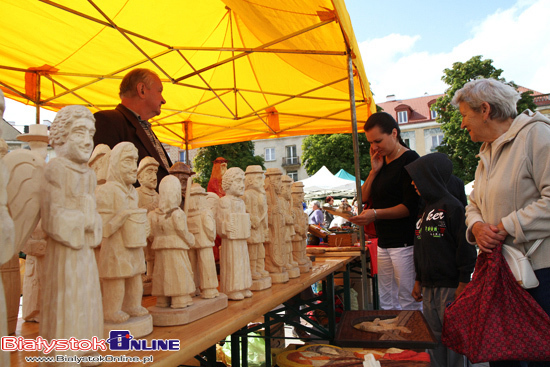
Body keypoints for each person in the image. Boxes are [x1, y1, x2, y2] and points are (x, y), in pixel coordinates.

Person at [454, 78, 550, 367]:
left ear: (485, 109)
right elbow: (473, 204)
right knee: (504, 355)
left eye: (464, 115)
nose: (462, 124)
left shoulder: (537, 136)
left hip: (540, 277)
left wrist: (505, 226)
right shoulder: (486, 152)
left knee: (537, 357)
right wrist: (478, 227)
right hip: (501, 276)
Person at [405, 153, 477, 367]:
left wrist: (464, 282)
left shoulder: (454, 208)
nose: (412, 183)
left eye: (417, 177)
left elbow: (466, 248)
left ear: (430, 178)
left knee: (454, 338)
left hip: (451, 287)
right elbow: (420, 248)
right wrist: (419, 279)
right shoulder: (424, 211)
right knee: (433, 338)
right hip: (428, 287)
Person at [349, 112, 421, 311]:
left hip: (405, 243)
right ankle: (393, 339)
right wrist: (374, 171)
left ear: (394, 133)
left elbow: (410, 207)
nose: (374, 147)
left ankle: (414, 339)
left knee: (408, 299)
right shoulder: (382, 163)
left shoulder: (410, 159)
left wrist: (375, 214)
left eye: (378, 141)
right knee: (386, 299)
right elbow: (363, 197)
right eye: (370, 143)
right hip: (385, 242)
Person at [93, 68, 172, 189]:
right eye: (159, 91)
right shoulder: (108, 121)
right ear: (142, 90)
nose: (163, 100)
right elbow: (101, 178)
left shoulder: (144, 127)